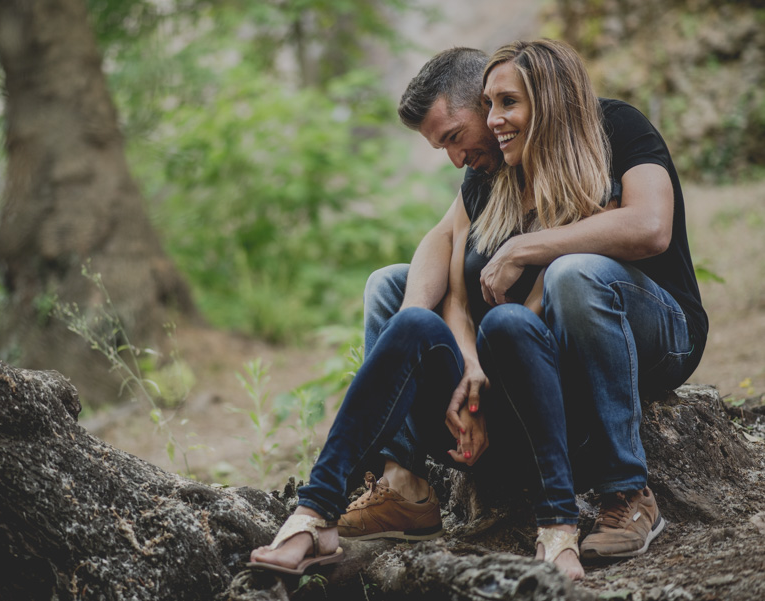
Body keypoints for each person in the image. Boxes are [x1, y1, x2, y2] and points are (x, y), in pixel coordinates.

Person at [249, 40, 707, 581]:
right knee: (391, 288)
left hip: (651, 326)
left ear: (537, 100)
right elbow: (439, 242)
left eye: (459, 133)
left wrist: (522, 250)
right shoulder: (495, 170)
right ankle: (399, 482)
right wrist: (423, 343)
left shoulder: (611, 129)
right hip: (525, 346)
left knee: (570, 275)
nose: (488, 126)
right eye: (492, 107)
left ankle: (626, 491)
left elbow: (650, 227)